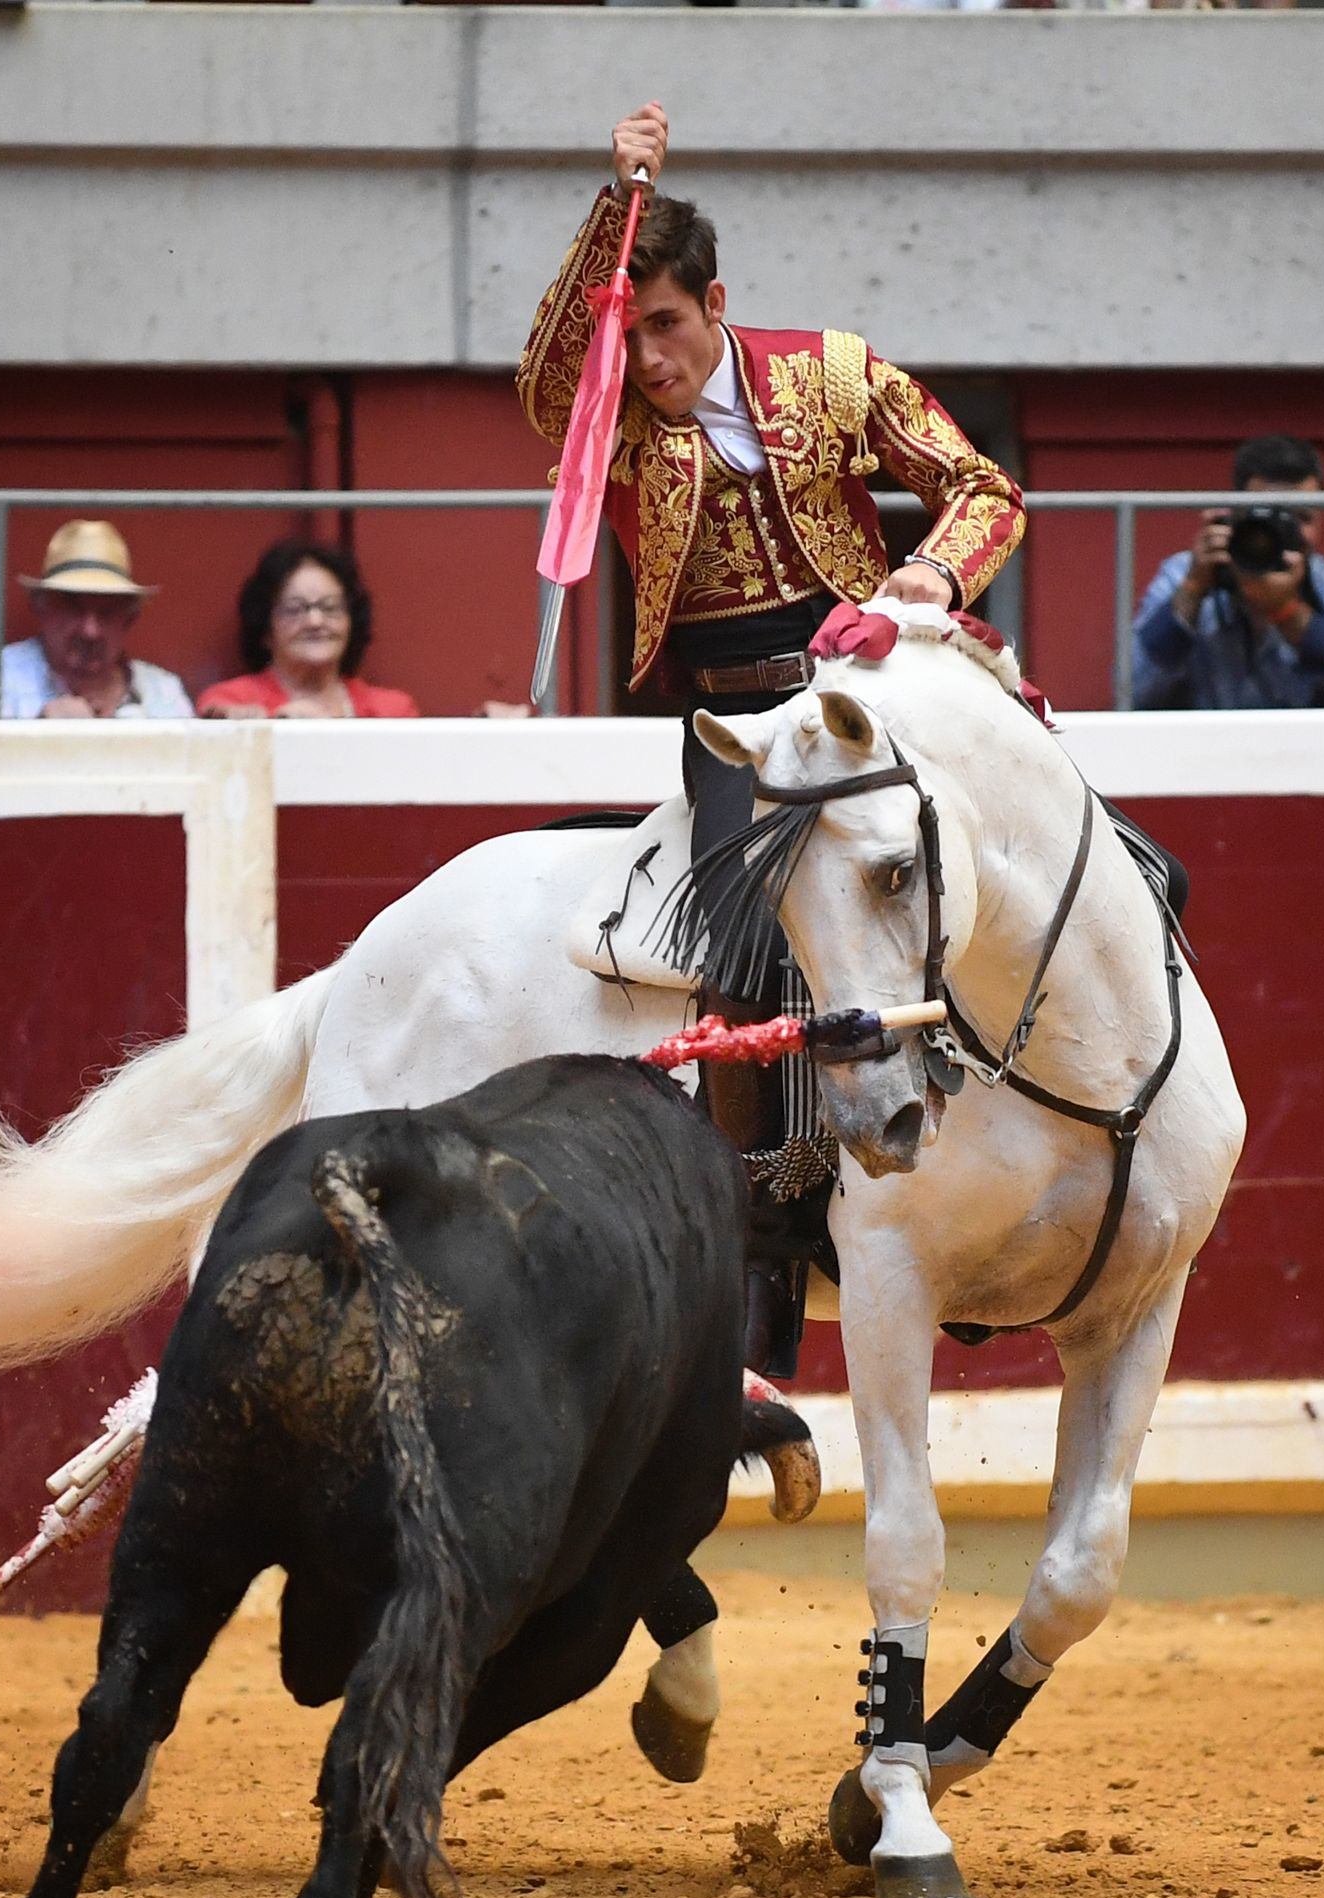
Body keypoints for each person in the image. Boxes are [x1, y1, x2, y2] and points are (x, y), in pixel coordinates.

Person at [517, 102, 1026, 1372]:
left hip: (871, 687)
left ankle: (1007, 1167)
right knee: (741, 941)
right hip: (736, 719)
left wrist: (932, 584)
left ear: (716, 304)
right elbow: (543, 384)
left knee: (997, 866)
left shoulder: (831, 373)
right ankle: (757, 1243)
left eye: (666, 327)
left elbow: (983, 488)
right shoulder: (617, 420)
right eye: (625, 340)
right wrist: (610, 208)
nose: (646, 361)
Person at [1130, 435, 1324, 711]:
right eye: (1266, 516)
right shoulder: (1184, 575)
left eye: (1301, 518)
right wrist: (1192, 592)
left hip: (1305, 752)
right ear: (1235, 515)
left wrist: (1289, 613)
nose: (1280, 533)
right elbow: (1129, 690)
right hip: (1201, 750)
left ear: (1320, 523)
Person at [0, 521, 193, 720]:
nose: (90, 631)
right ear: (41, 609)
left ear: (129, 620)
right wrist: (37, 734)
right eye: (72, 610)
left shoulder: (164, 691)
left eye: (106, 614)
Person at [196, 541, 419, 719]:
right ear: (265, 630)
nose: (315, 621)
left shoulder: (393, 710)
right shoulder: (230, 703)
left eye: (330, 607)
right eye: (295, 610)